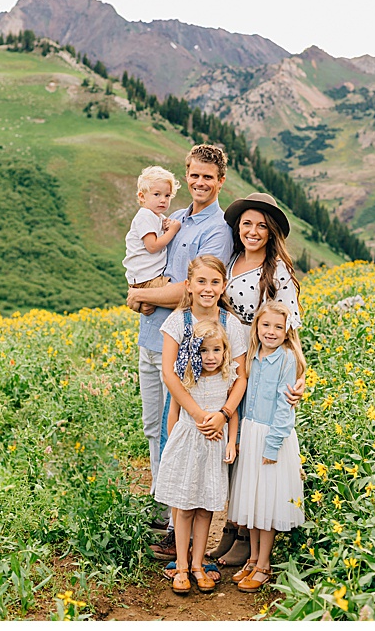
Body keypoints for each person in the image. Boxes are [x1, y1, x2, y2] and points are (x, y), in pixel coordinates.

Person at [126, 144, 233, 558]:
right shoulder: (174, 219)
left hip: (186, 342)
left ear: (220, 181)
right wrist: (143, 294)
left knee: (179, 429)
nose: (200, 182)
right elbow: (154, 268)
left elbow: (193, 289)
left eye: (208, 177)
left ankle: (179, 526)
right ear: (186, 176)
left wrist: (138, 293)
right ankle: (166, 503)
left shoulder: (216, 229)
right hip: (151, 335)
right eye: (194, 175)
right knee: (154, 427)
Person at [208, 191, 306, 567]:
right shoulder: (231, 260)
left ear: (271, 233)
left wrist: (298, 375)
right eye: (247, 223)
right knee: (233, 445)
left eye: (261, 226)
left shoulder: (275, 268)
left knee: (250, 443)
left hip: (258, 362)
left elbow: (291, 324)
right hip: (229, 357)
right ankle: (232, 528)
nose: (252, 230)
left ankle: (249, 534)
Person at [151, 315, 238, 594]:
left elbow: (231, 413)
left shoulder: (228, 378)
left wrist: (231, 442)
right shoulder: (186, 377)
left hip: (213, 448)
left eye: (216, 350)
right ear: (193, 351)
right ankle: (182, 565)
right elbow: (173, 415)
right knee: (185, 506)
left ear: (225, 351)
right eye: (203, 350)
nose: (210, 357)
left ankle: (199, 564)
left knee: (205, 509)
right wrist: (174, 449)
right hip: (188, 446)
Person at [227, 301, 308, 593]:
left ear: (287, 331)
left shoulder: (287, 359)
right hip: (251, 431)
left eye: (278, 327)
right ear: (256, 328)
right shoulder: (253, 356)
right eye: (265, 325)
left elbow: (285, 409)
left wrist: (272, 446)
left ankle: (264, 564)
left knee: (267, 503)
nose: (271, 332)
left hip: (273, 437)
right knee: (253, 500)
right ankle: (252, 559)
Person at [124, 166, 182, 314]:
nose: (163, 200)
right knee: (183, 297)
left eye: (167, 196)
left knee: (151, 308)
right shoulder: (145, 216)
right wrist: (172, 231)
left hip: (147, 277)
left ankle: (145, 302)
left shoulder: (156, 216)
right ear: (142, 196)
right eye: (157, 194)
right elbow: (152, 246)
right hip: (147, 279)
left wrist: (165, 227)